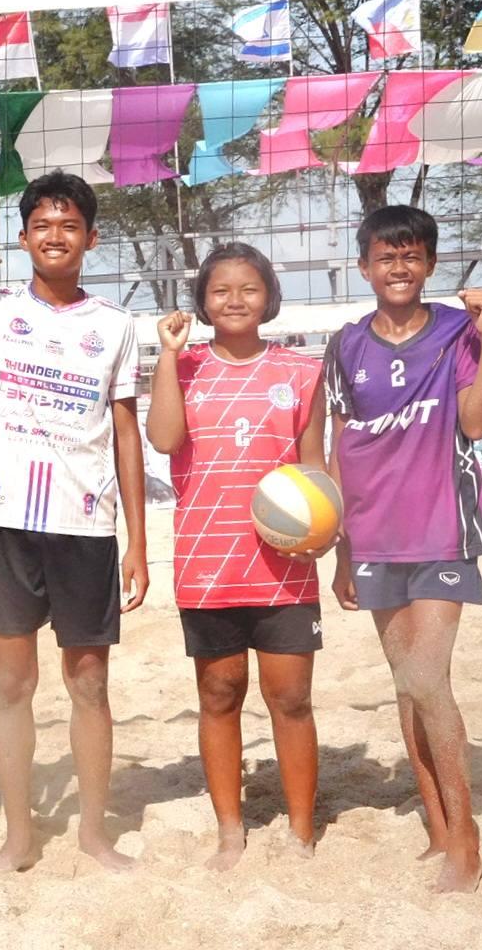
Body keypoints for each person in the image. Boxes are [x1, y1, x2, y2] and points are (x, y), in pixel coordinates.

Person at [0, 171, 148, 873]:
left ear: (90, 239)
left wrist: (137, 541)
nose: (55, 236)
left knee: (89, 684)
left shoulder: (115, 325)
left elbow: (126, 434)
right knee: (12, 686)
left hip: (87, 528)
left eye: (69, 225)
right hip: (9, 526)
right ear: (23, 238)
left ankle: (93, 834)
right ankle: (18, 837)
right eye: (42, 225)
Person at [325, 205, 482, 893]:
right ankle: (437, 828)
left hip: (442, 526)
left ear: (429, 263)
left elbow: (476, 424)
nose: (399, 266)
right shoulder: (345, 345)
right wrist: (341, 548)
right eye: (386, 256)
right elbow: (340, 443)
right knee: (406, 684)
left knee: (426, 677)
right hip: (372, 532)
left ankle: (467, 839)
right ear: (364, 267)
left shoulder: (457, 330)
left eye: (411, 255)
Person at [145, 243, 326, 870]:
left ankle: (300, 830)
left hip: (284, 564)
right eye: (220, 290)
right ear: (202, 302)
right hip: (208, 559)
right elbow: (163, 438)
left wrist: (327, 528)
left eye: (249, 288)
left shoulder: (300, 371)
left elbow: (313, 465)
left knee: (291, 697)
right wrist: (168, 356)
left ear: (268, 296)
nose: (235, 300)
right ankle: (230, 829)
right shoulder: (185, 366)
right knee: (220, 693)